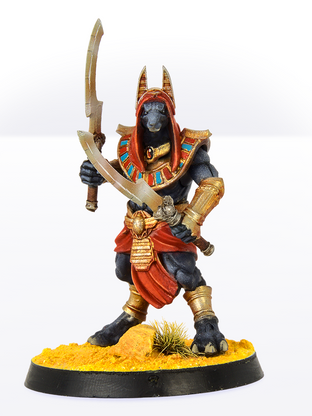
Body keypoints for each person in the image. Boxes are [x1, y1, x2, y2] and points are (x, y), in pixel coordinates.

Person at [80, 67, 228, 355]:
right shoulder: (130, 148)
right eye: (146, 111)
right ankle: (131, 316)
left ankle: (207, 323)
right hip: (135, 225)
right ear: (139, 115)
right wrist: (95, 171)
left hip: (170, 225)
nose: (153, 118)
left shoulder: (189, 148)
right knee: (124, 268)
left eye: (160, 110)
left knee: (183, 272)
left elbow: (212, 184)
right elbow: (117, 172)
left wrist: (192, 218)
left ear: (170, 114)